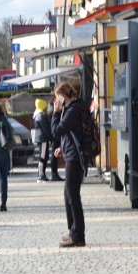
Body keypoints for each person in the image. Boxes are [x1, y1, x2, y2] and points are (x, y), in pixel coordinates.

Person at [50, 82, 88, 248]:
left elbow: (56, 131)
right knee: (69, 196)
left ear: (62, 96)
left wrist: (56, 112)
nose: (56, 101)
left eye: (57, 97)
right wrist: (62, 148)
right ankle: (73, 231)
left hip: (75, 158)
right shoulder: (76, 108)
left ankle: (78, 236)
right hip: (72, 154)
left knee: (73, 197)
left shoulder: (72, 111)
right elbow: (73, 133)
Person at [33, 99, 54, 183]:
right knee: (43, 156)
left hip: (42, 138)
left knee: (43, 156)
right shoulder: (41, 116)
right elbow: (46, 129)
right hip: (43, 139)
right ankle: (41, 175)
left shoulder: (37, 115)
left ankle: (42, 174)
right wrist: (51, 138)